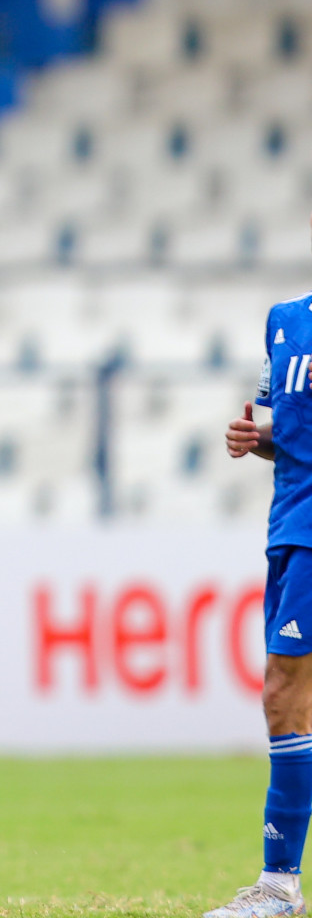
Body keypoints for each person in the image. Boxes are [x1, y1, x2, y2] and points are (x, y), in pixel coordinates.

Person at [212, 221, 312, 918]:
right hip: (291, 525)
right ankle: (277, 886)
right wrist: (258, 435)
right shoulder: (286, 322)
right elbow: (282, 419)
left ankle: (279, 888)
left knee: (285, 691)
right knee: (285, 695)